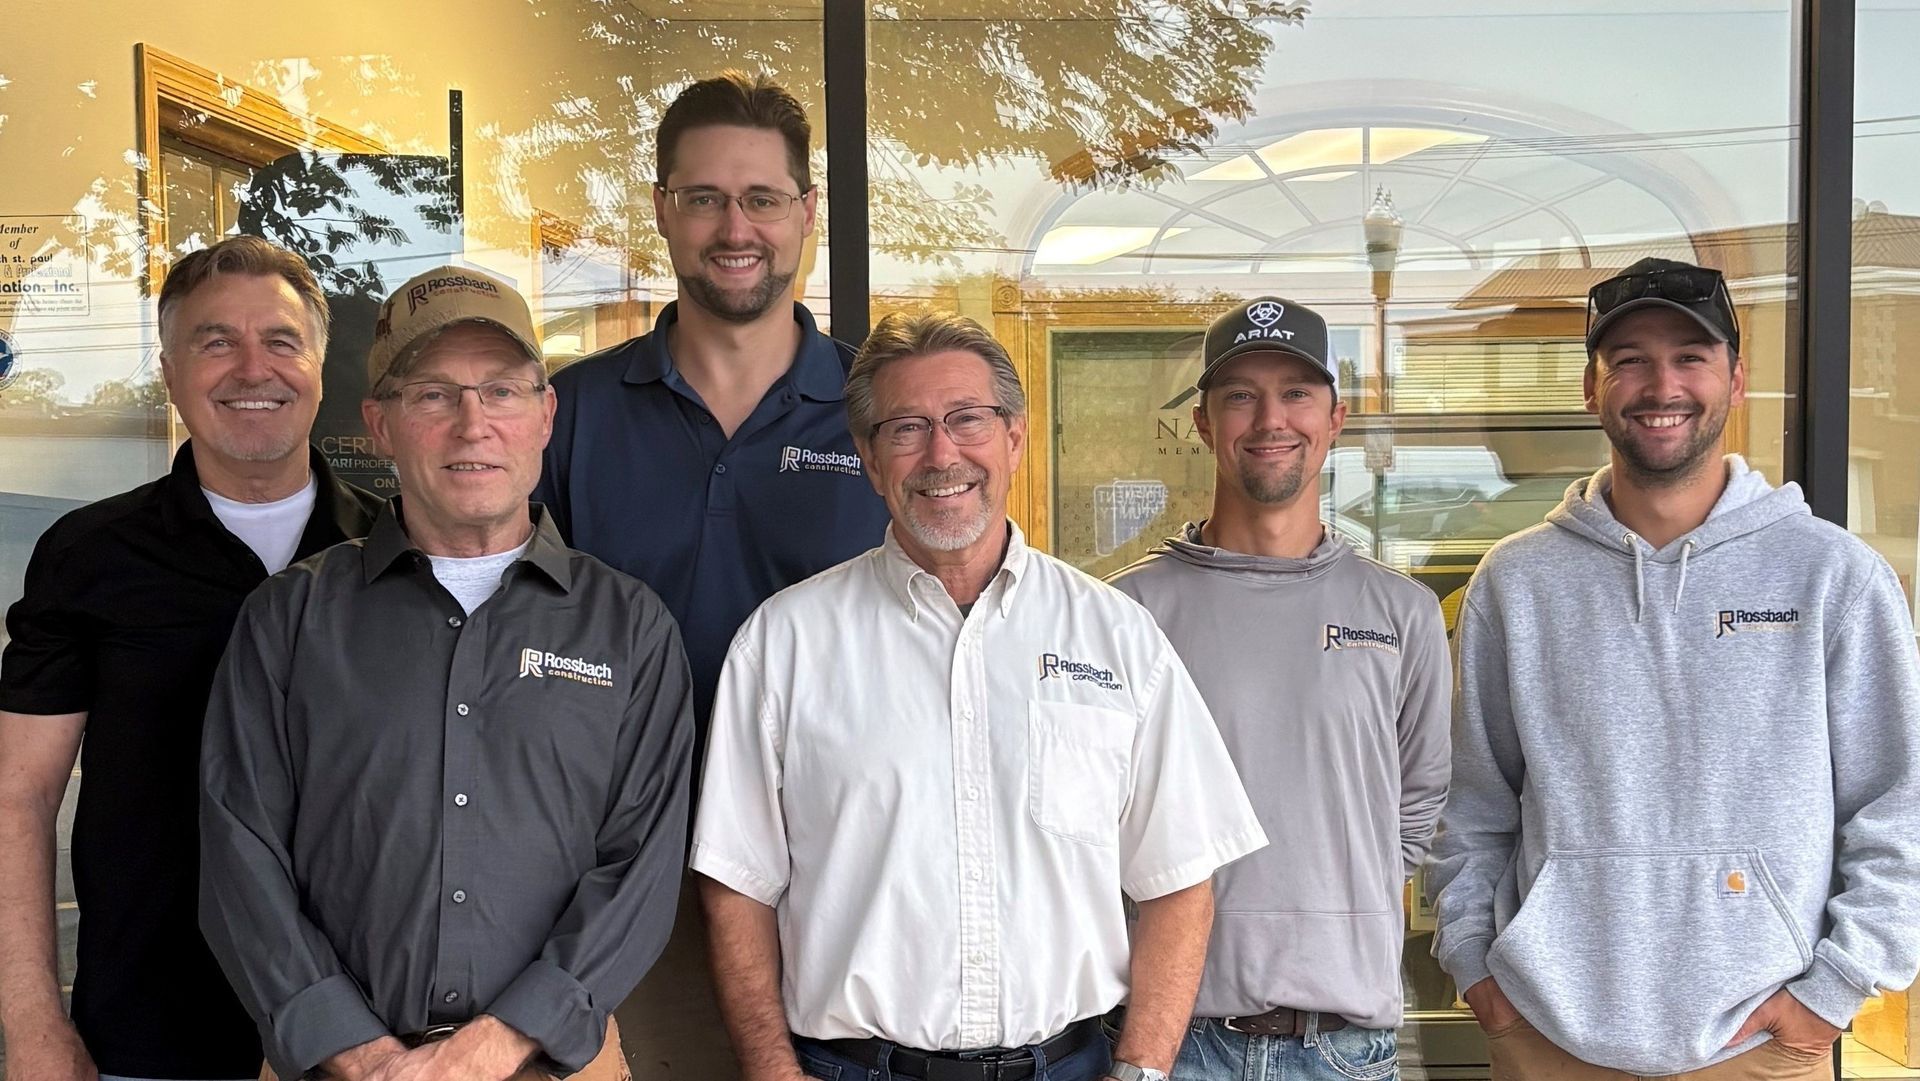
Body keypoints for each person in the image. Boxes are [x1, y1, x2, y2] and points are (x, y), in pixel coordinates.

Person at [692, 310, 1268, 1081]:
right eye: (906, 428)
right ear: (867, 457)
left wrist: (1141, 1071)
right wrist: (771, 1069)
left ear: (1015, 438)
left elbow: (1181, 877)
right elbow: (736, 883)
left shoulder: (1116, 637)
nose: (942, 453)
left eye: (968, 419)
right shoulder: (784, 643)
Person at [1428, 257, 1920, 1078]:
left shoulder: (1832, 575)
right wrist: (1476, 965)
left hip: (1760, 1040)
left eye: (1690, 356)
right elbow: (1473, 802)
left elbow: (1899, 801)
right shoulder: (1516, 582)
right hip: (1545, 1031)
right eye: (1629, 359)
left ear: (1736, 377)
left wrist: (1834, 988)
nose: (1662, 384)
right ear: (1592, 387)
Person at [198, 266, 693, 1081]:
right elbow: (239, 853)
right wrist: (357, 1052)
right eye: (433, 394)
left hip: (556, 1067)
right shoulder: (288, 619)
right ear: (380, 424)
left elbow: (639, 868)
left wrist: (494, 1044)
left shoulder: (629, 627)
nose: (473, 424)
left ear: (545, 416)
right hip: (331, 1068)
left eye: (501, 392)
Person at [0, 236, 381, 1081]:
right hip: (149, 1035)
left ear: (320, 367)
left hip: (373, 1038)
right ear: (169, 373)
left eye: (281, 341)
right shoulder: (90, 556)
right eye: (216, 342)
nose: (254, 368)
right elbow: (17, 797)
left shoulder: (395, 554)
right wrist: (30, 1022)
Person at [1108, 296, 1450, 1081]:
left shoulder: (1401, 614)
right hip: (1173, 1043)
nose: (1271, 418)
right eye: (1240, 395)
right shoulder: (1127, 613)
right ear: (1203, 423)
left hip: (1344, 1048)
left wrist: (1336, 893)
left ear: (1337, 418)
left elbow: (1422, 801)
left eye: (1296, 392)